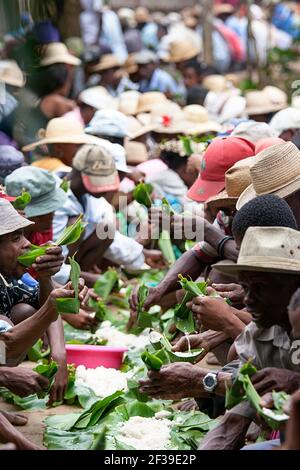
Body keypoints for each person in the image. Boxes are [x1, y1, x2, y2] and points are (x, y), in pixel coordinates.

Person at [139, 226, 300, 449]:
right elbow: (234, 422)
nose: (249, 300)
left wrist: (203, 380)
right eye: (245, 288)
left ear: (294, 286)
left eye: (261, 287)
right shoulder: (260, 333)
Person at [0, 199, 68, 405]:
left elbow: (46, 302)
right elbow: (7, 344)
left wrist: (59, 355)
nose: (27, 244)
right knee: (5, 329)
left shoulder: (11, 278)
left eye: (23, 235)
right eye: (15, 238)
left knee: (26, 312)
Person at [52, 144, 145, 278]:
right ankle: (71, 283)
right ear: (80, 172)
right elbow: (53, 254)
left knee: (107, 229)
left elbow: (109, 237)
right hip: (53, 267)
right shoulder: (57, 198)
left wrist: (140, 256)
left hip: (74, 262)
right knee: (76, 225)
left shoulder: (89, 197)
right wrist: (94, 280)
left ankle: (77, 279)